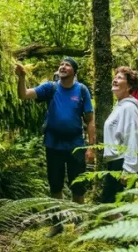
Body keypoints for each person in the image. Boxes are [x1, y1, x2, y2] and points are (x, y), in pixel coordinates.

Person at [15, 58, 96, 209]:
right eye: (61, 64)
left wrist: (91, 148)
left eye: (67, 65)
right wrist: (22, 77)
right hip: (53, 144)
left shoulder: (82, 90)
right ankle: (57, 222)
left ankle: (79, 221)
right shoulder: (50, 88)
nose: (63, 67)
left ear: (74, 71)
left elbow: (90, 121)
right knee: (55, 185)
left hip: (76, 145)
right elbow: (24, 94)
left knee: (78, 185)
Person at [99, 67, 138, 203]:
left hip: (122, 162)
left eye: (120, 78)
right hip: (114, 162)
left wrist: (129, 169)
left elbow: (133, 137)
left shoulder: (129, 108)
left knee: (108, 205)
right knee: (111, 205)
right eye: (115, 77)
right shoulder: (120, 106)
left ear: (129, 86)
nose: (115, 80)